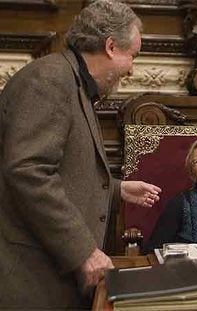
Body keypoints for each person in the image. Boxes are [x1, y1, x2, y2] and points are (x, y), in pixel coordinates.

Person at [0, 1, 161, 309]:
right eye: (133, 56)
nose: (132, 68)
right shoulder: (50, 80)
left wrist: (117, 188)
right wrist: (84, 251)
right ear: (111, 46)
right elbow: (27, 170)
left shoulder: (72, 82)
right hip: (31, 275)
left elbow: (63, 169)